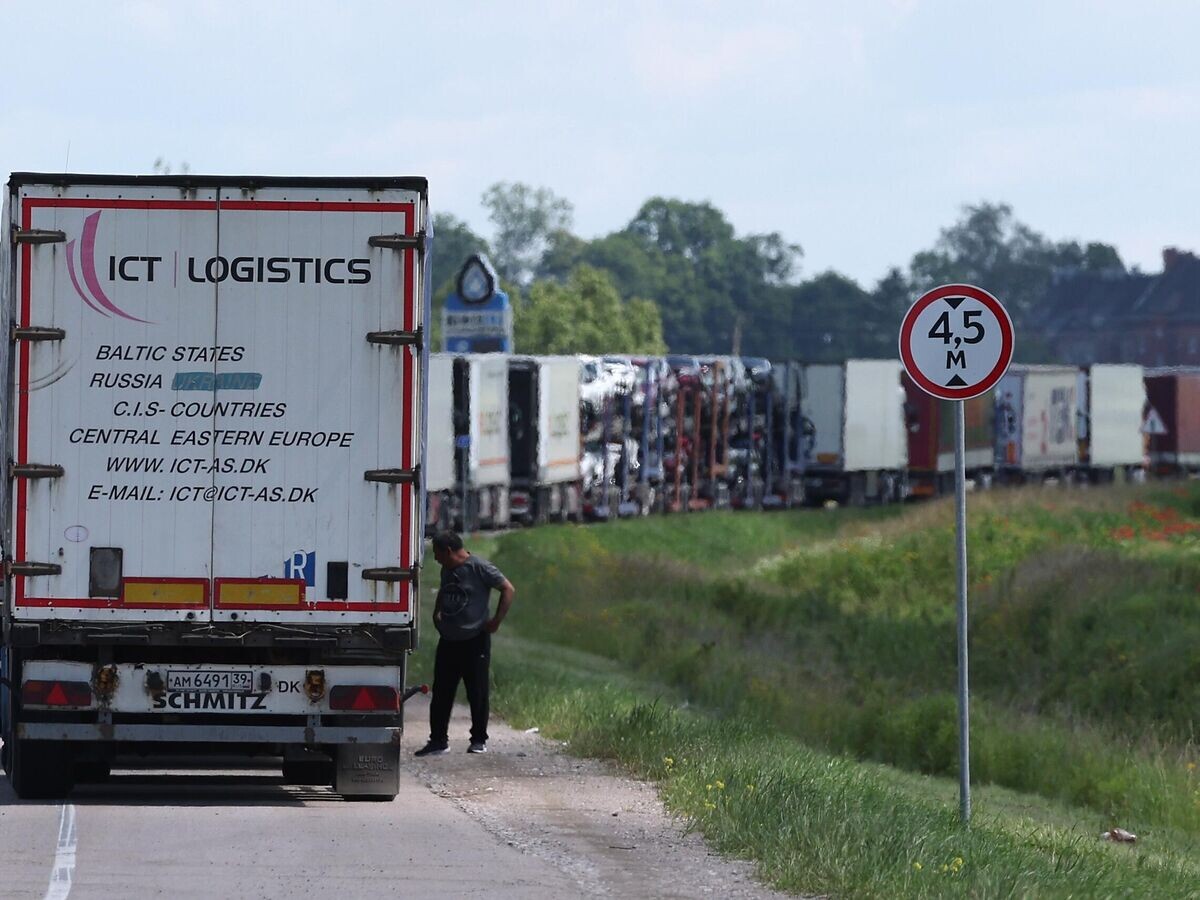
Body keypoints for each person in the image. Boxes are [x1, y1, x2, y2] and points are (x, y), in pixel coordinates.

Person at [414, 530, 515, 756]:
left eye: (439, 555)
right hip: (449, 641)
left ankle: (479, 739)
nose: (437, 559)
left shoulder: (480, 568)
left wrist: (496, 621)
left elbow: (508, 589)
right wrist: (437, 612)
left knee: (477, 692)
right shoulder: (447, 570)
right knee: (441, 693)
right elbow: (444, 591)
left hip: (475, 641)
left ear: (449, 551)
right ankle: (438, 740)